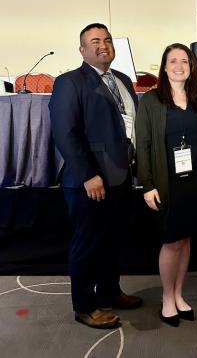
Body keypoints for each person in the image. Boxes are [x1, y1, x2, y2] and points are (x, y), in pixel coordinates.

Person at [49, 23, 142, 329]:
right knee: (87, 244)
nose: (103, 45)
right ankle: (85, 306)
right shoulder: (69, 82)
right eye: (95, 41)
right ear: (83, 50)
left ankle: (110, 292)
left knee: (112, 242)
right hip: (89, 183)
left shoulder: (124, 81)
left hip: (120, 179)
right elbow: (66, 134)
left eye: (107, 39)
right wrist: (89, 175)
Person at [135, 43, 197, 327]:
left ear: (191, 67)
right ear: (164, 66)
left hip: (195, 182)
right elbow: (142, 145)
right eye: (173, 61)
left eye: (184, 61)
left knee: (186, 238)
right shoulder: (152, 101)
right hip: (167, 184)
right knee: (171, 241)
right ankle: (167, 298)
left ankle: (180, 294)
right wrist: (147, 184)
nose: (179, 66)